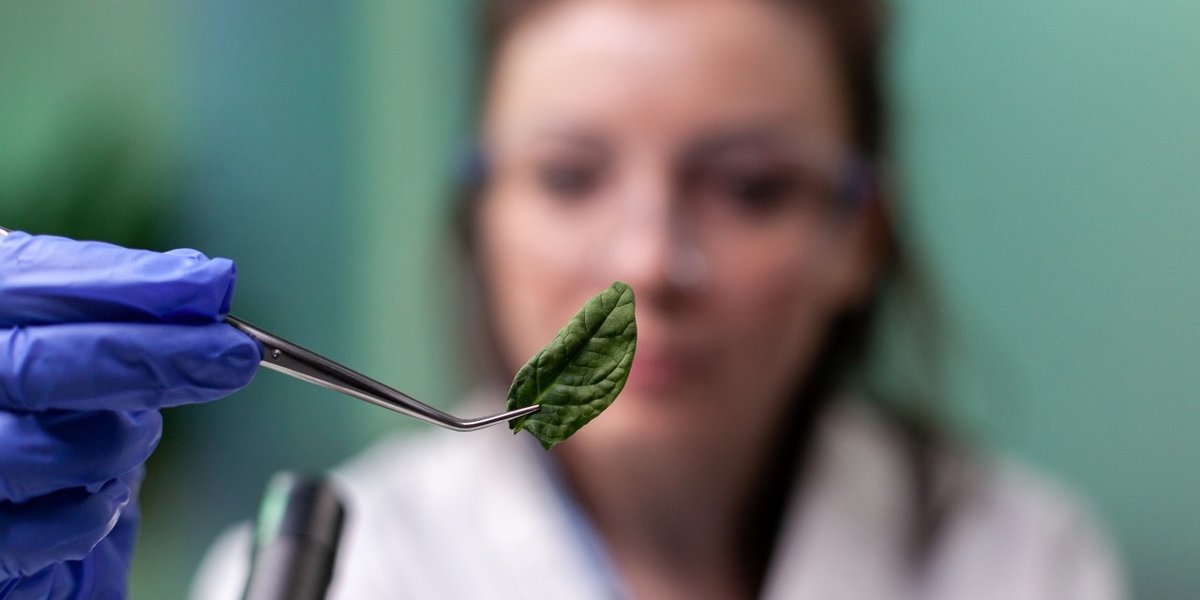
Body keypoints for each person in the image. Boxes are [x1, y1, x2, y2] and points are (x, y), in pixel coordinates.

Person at [0, 0, 1125, 598]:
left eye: (751, 186)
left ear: (856, 238)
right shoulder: (333, 569)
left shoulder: (1021, 560)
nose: (647, 263)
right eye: (570, 175)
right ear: (481, 214)